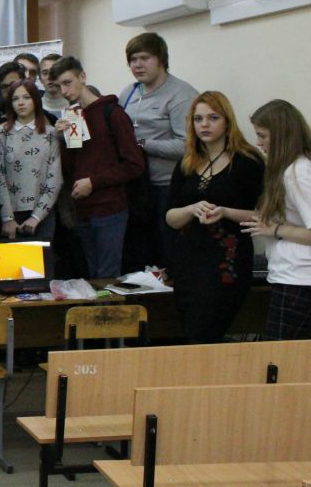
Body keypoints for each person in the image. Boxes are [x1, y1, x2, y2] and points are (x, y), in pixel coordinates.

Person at [163, 93, 263, 344]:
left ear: (227, 122)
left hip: (226, 263)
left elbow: (265, 216)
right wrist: (191, 209)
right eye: (198, 119)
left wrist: (225, 211)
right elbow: (171, 217)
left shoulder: (247, 162)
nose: (204, 125)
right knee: (191, 335)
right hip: (188, 263)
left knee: (204, 333)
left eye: (213, 118)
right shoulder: (187, 162)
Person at [50, 57, 146, 279]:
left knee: (107, 276)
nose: (64, 91)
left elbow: (134, 164)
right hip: (83, 208)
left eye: (67, 83)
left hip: (110, 207)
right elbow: (74, 166)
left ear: (82, 77)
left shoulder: (112, 112)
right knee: (93, 276)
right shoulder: (74, 116)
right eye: (59, 86)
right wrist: (62, 140)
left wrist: (93, 182)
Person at [119, 32, 199, 270]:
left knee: (167, 251)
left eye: (145, 58)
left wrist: (142, 144)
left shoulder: (181, 94)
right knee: (139, 255)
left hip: (168, 186)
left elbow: (187, 145)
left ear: (161, 60)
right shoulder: (129, 92)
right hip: (136, 186)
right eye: (133, 60)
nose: (138, 65)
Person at [242, 100, 311, 341]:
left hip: (300, 280)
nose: (258, 143)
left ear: (281, 135)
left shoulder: (298, 172)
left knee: (280, 356)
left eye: (262, 136)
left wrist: (275, 229)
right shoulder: (289, 170)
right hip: (293, 278)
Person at [0, 80, 62, 241]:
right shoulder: (0, 133)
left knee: (42, 258)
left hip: (43, 214)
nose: (20, 103)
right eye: (15, 98)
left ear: (36, 100)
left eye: (26, 97)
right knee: (13, 259)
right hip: (10, 214)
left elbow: (55, 178)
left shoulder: (51, 133)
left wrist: (37, 217)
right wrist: (7, 217)